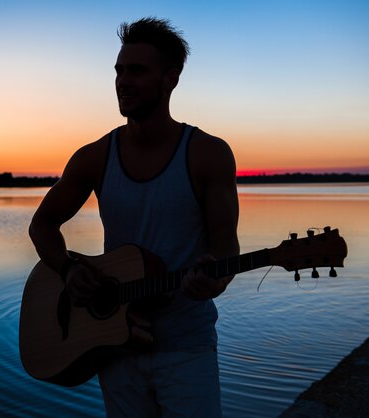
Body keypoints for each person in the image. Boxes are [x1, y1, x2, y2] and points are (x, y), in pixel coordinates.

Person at [28, 17, 239, 418]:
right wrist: (69, 270)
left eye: (137, 70)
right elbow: (42, 225)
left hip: (185, 346)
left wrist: (216, 277)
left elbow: (226, 245)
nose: (123, 81)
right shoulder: (94, 156)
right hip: (114, 344)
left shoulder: (207, 154)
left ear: (170, 79)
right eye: (119, 70)